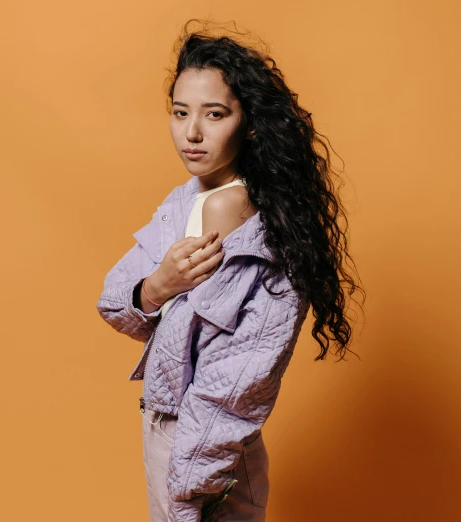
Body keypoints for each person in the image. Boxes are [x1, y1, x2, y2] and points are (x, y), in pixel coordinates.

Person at [96, 21, 364, 522]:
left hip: (204, 450)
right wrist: (158, 286)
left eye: (214, 114)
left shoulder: (237, 213)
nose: (192, 133)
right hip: (170, 434)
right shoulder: (183, 202)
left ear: (250, 123)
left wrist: (190, 485)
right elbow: (114, 303)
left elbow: (239, 376)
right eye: (180, 113)